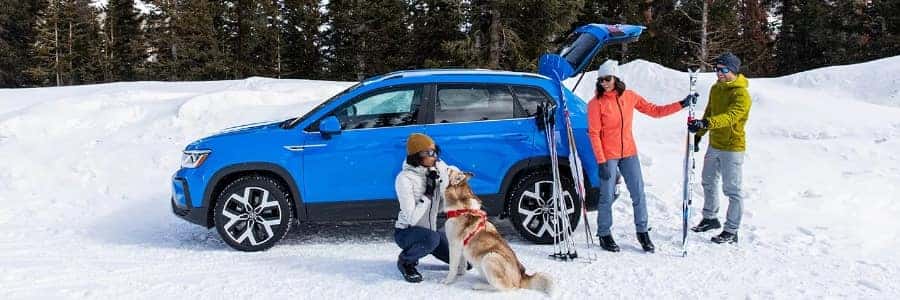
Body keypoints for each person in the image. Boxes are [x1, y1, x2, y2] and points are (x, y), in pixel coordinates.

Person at [588, 60, 697, 253]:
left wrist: (682, 104)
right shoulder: (596, 104)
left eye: (607, 79)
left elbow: (655, 111)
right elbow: (594, 133)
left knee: (638, 193)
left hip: (629, 152)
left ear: (616, 78)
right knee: (606, 195)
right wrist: (602, 161)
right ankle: (604, 233)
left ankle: (643, 232)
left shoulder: (629, 97)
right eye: (600, 80)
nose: (603, 83)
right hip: (609, 156)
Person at [689, 52, 751, 244]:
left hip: (732, 147)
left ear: (733, 70)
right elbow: (710, 111)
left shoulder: (741, 94)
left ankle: (732, 230)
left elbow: (731, 117)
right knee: (708, 182)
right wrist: (699, 134)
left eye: (723, 70)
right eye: (717, 69)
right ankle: (710, 218)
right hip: (714, 144)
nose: (719, 73)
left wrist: (706, 123)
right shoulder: (716, 89)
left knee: (732, 190)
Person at [393, 133, 460, 282]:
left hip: (431, 233)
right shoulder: (404, 179)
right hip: (406, 232)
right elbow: (412, 218)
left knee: (464, 263)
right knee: (431, 238)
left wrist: (444, 187)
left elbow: (442, 207)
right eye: (428, 153)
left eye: (435, 152)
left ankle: (427, 246)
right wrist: (427, 195)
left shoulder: (434, 173)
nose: (434, 156)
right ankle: (406, 261)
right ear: (416, 156)